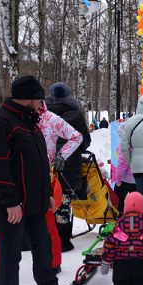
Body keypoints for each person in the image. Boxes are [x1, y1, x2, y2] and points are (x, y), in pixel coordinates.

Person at [0, 76, 75, 285]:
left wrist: (47, 193)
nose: (42, 104)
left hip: (36, 201)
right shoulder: (1, 121)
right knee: (10, 255)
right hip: (13, 205)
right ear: (28, 98)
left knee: (43, 248)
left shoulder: (31, 120)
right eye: (39, 99)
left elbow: (39, 162)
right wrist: (9, 202)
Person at [38, 101, 83, 273]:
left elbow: (77, 136)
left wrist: (60, 156)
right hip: (20, 178)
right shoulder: (16, 118)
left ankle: (54, 262)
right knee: (6, 226)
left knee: (51, 222)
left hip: (45, 178)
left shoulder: (50, 118)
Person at [46, 82, 91, 252]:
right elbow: (84, 140)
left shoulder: (42, 113)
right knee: (64, 201)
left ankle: (47, 237)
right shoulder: (76, 114)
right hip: (69, 162)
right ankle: (63, 240)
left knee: (47, 199)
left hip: (46, 162)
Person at [113, 127, 137, 215]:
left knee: (118, 200)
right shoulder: (138, 144)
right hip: (137, 178)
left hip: (125, 179)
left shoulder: (124, 145)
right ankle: (135, 222)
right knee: (135, 203)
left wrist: (118, 179)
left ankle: (119, 221)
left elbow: (122, 163)